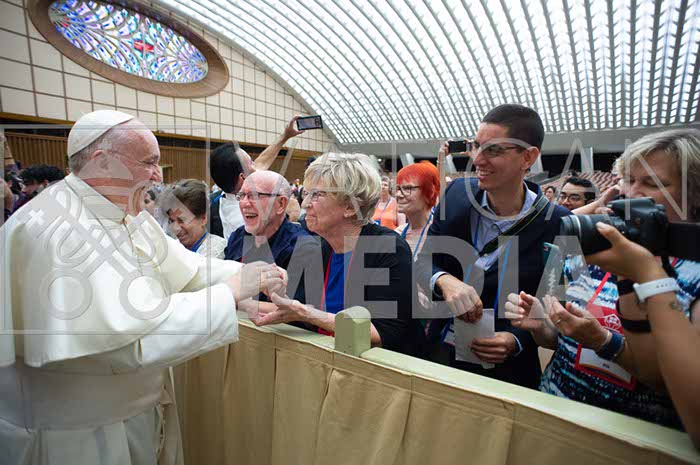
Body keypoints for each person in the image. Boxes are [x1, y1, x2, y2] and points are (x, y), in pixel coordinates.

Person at [0, 110, 286, 465]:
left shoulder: (125, 213)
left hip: (137, 414)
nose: (157, 176)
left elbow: (188, 268)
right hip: (79, 435)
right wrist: (229, 293)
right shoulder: (55, 229)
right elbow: (127, 341)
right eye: (149, 162)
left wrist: (252, 274)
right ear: (103, 162)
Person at [508, 128, 700, 429]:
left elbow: (672, 386)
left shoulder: (694, 274)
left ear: (694, 196)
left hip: (632, 437)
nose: (632, 193)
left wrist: (603, 341)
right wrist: (540, 326)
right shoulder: (591, 247)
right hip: (553, 414)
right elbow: (556, 340)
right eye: (629, 180)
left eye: (652, 183)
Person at [419, 104, 571, 389]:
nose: (477, 159)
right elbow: (423, 262)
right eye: (477, 146)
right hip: (439, 358)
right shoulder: (456, 195)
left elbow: (560, 311)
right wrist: (444, 280)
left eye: (494, 150)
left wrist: (517, 340)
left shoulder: (559, 224)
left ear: (528, 157)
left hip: (508, 376)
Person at [253, 153, 426, 357]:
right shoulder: (317, 248)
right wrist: (277, 290)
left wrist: (306, 313)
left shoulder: (387, 247)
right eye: (306, 193)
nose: (305, 203)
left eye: (316, 195)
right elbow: (297, 310)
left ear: (350, 207)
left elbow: (382, 332)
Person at [225, 170, 317, 302]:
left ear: (281, 204)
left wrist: (228, 300)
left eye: (254, 196)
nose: (244, 203)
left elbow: (293, 309)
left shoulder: (302, 248)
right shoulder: (238, 236)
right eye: (242, 195)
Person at [209, 116, 304, 240]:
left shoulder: (222, 199)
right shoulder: (251, 215)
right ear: (243, 177)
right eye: (251, 162)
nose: (256, 165)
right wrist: (292, 218)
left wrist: (285, 136)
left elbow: (262, 162)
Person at [159, 179, 228, 259]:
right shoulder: (173, 248)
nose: (175, 228)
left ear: (203, 218)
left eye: (182, 220)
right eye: (171, 221)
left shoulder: (218, 250)